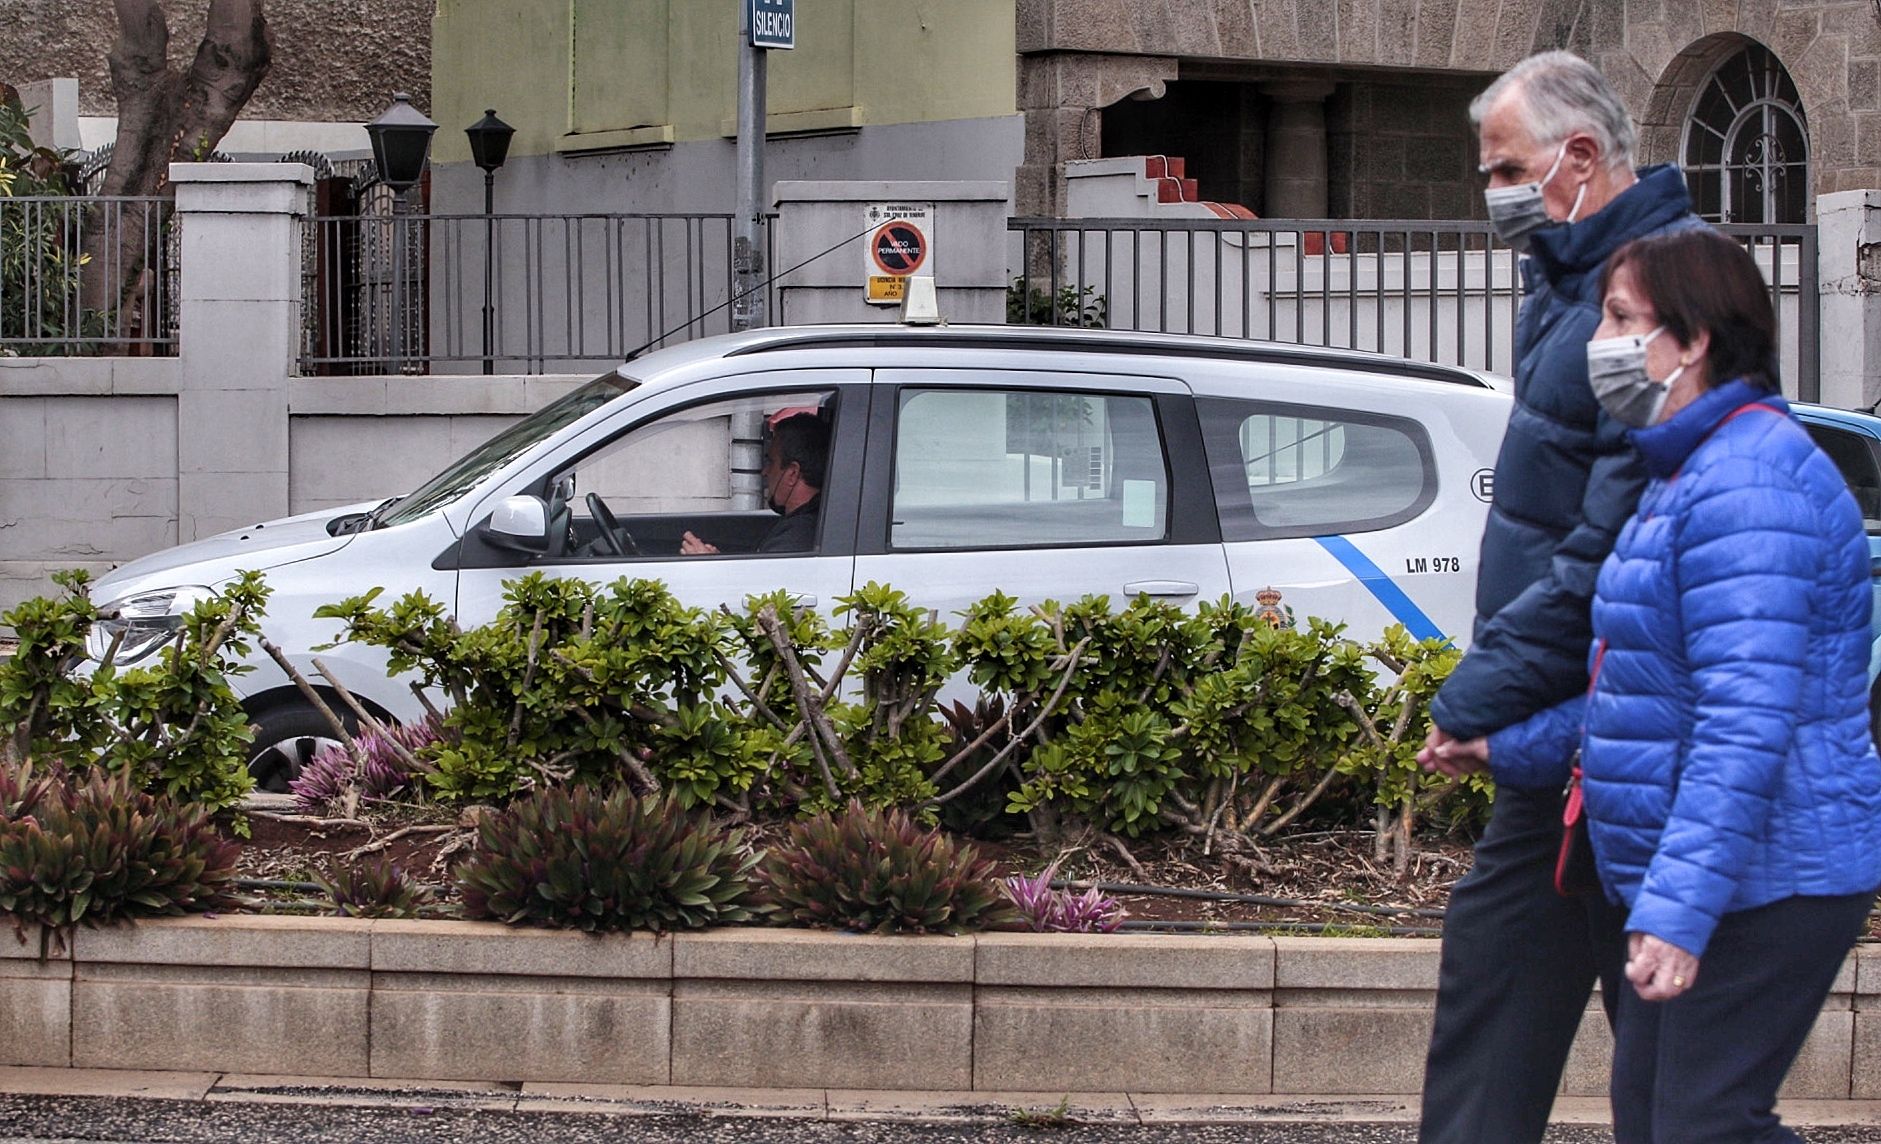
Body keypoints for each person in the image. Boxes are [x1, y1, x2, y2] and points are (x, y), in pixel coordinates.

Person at [1431, 227, 1881, 1142]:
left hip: (1771, 874)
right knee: (1657, 1121)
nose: (1599, 341)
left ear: (1692, 340)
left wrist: (1675, 916)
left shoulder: (1747, 486)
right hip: (1724, 870)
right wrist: (1506, 746)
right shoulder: (1689, 474)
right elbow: (1645, 696)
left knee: (1699, 1126)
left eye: (1621, 318)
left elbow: (1741, 725)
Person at [1415, 51, 1706, 1144]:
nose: (1491, 190)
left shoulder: (1656, 293)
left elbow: (1606, 546)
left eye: (1505, 167)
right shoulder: (1564, 276)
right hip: (1567, 738)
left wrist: (1477, 697)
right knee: (1491, 1014)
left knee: (1681, 1090)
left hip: (1631, 743)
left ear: (1580, 157)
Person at [680, 411, 826, 555]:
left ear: (793, 473)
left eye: (771, 462)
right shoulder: (805, 525)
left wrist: (711, 568)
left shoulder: (798, 537)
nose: (765, 472)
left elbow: (765, 579)